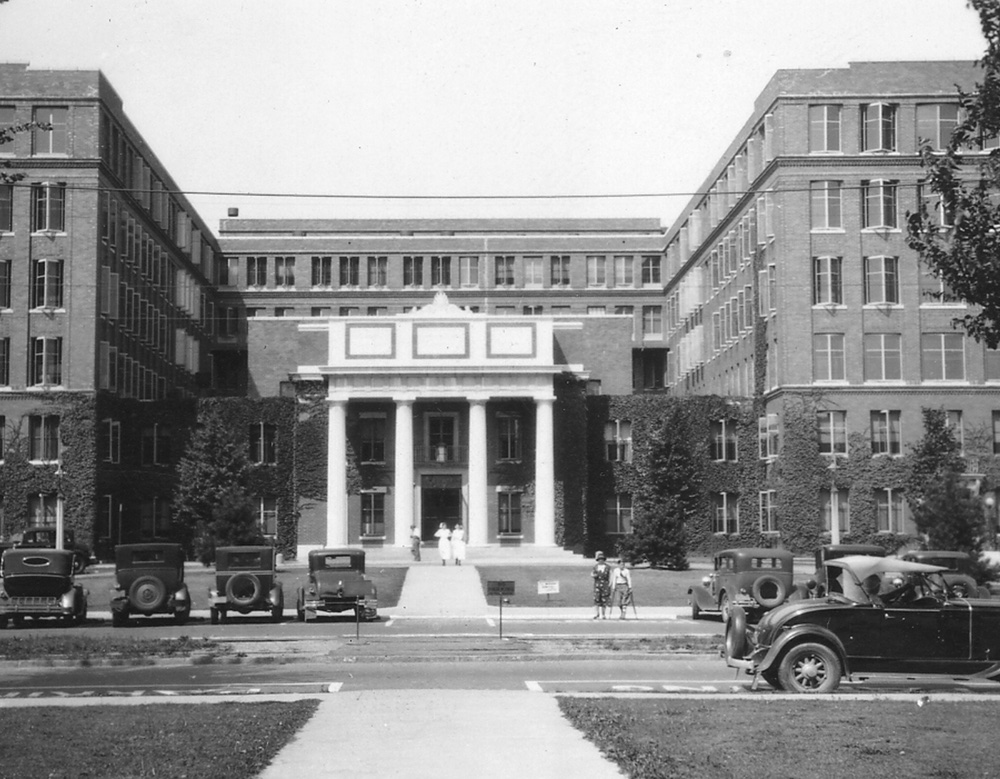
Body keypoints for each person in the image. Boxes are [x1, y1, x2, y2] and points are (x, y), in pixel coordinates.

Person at [591, 551, 611, 619]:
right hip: (597, 584)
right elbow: (592, 574)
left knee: (604, 600)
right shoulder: (595, 567)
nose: (601, 560)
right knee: (596, 599)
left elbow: (610, 576)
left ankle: (603, 614)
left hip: (605, 584)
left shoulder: (607, 567)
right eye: (599, 559)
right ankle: (597, 613)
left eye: (602, 559)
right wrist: (594, 575)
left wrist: (610, 584)